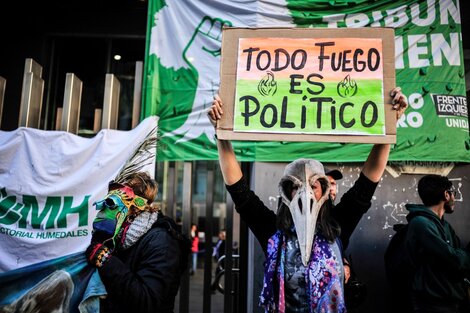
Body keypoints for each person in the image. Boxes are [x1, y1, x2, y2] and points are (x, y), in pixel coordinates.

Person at [208, 87, 408, 312]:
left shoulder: (337, 225)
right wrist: (221, 134)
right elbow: (239, 192)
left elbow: (366, 184)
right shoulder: (273, 232)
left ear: (323, 189)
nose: (305, 193)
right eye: (295, 186)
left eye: (313, 185)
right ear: (286, 192)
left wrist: (390, 125)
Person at [85, 172, 190, 313]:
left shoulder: (162, 242)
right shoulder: (118, 238)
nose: (106, 208)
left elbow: (149, 301)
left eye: (114, 203)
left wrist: (107, 261)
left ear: (136, 207)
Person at [404, 174, 470, 313]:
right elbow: (455, 260)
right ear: (446, 195)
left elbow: (458, 260)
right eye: (454, 193)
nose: (454, 198)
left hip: (450, 301)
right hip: (431, 304)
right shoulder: (420, 224)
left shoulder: (445, 226)